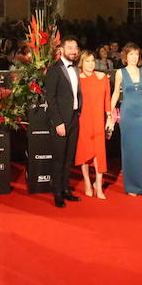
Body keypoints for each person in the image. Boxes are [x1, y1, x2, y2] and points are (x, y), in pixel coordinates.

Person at [44, 36, 84, 208]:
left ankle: (66, 189)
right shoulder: (54, 70)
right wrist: (58, 122)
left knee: (69, 158)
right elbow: (50, 99)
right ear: (61, 50)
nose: (74, 51)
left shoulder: (75, 69)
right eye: (70, 48)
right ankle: (57, 192)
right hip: (61, 121)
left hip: (74, 117)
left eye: (75, 48)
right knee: (59, 158)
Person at [111, 43, 142, 196]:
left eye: (136, 54)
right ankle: (131, 186)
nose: (134, 57)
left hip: (140, 113)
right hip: (127, 114)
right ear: (125, 57)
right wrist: (109, 113)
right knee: (129, 150)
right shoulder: (120, 72)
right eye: (131, 54)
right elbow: (116, 93)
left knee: (141, 150)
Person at [75, 51, 112, 200]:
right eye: (87, 61)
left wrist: (109, 117)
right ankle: (87, 183)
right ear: (81, 63)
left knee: (99, 152)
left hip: (98, 119)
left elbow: (107, 99)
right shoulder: (77, 79)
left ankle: (98, 184)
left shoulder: (103, 77)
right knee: (85, 151)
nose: (91, 64)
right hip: (83, 119)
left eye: (92, 61)